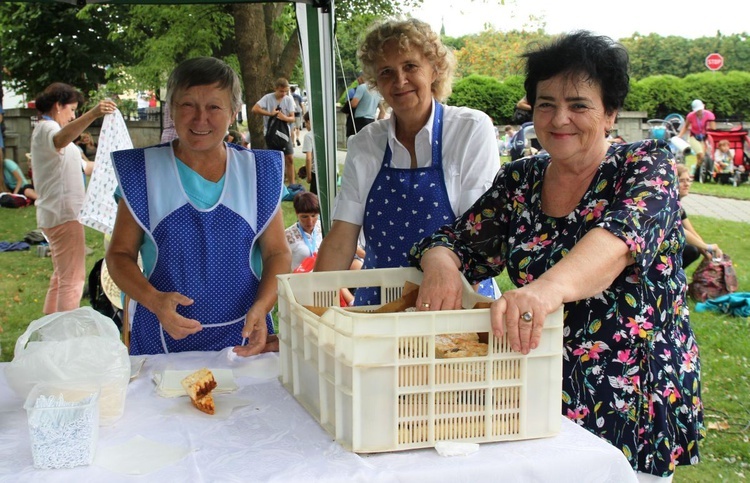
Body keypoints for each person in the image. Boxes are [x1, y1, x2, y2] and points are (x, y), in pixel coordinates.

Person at [409, 31, 702, 481]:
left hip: (630, 397)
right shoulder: (521, 179)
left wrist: (543, 292)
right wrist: (442, 265)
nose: (559, 118)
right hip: (534, 391)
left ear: (610, 114)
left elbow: (617, 242)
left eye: (578, 104)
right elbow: (454, 240)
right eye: (546, 103)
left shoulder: (645, 165)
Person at [106, 57, 290, 357]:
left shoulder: (257, 173)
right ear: (171, 110)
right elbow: (119, 255)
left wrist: (263, 305)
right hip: (160, 340)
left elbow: (278, 253)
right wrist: (154, 300)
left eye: (214, 107)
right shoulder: (143, 172)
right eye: (188, 105)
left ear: (232, 113)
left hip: (245, 338)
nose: (200, 118)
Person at [315, 18, 500, 305]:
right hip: (380, 304)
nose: (399, 81)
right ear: (376, 81)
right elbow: (341, 238)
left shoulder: (470, 129)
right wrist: (309, 308)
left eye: (410, 66)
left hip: (455, 303)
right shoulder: (365, 143)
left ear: (434, 69)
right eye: (387, 72)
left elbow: (481, 234)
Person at [31, 83, 117, 314]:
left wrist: (117, 165)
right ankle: (63, 338)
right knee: (73, 280)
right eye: (72, 110)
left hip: (60, 213)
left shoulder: (57, 137)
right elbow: (59, 139)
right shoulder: (47, 129)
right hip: (63, 214)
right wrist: (94, 113)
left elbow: (86, 167)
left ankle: (49, 329)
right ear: (58, 106)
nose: (73, 116)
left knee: (62, 277)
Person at [252, 78, 297, 185]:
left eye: (286, 91)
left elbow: (292, 118)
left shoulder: (288, 99)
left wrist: (284, 118)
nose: (283, 94)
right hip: (270, 134)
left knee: (289, 158)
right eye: (281, 91)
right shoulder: (267, 98)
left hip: (284, 134)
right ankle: (274, 184)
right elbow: (255, 109)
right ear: (275, 89)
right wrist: (270, 114)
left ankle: (292, 185)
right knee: (271, 160)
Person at [677, 164, 722, 268]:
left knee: (696, 249)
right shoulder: (670, 205)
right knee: (692, 250)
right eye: (682, 180)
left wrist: (707, 252)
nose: (686, 184)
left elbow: (692, 232)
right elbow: (681, 231)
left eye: (688, 180)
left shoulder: (679, 208)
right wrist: (708, 247)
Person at [285, 192, 323, 272]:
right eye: (304, 217)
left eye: (313, 216)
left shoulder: (323, 229)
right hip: (301, 281)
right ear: (296, 213)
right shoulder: (288, 236)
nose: (310, 221)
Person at [677, 99, 715, 177]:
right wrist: (679, 136)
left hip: (704, 137)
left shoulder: (709, 115)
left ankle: (696, 172)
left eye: (700, 109)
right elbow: (686, 127)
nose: (699, 112)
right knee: (700, 154)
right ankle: (694, 171)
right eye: (697, 110)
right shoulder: (690, 116)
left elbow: (713, 128)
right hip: (693, 136)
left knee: (701, 157)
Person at [301, 112, 317, 195]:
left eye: (305, 123)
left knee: (315, 202)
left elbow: (308, 158)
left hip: (316, 173)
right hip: (333, 172)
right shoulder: (327, 133)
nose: (305, 126)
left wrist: (309, 176)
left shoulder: (309, 136)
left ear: (309, 121)